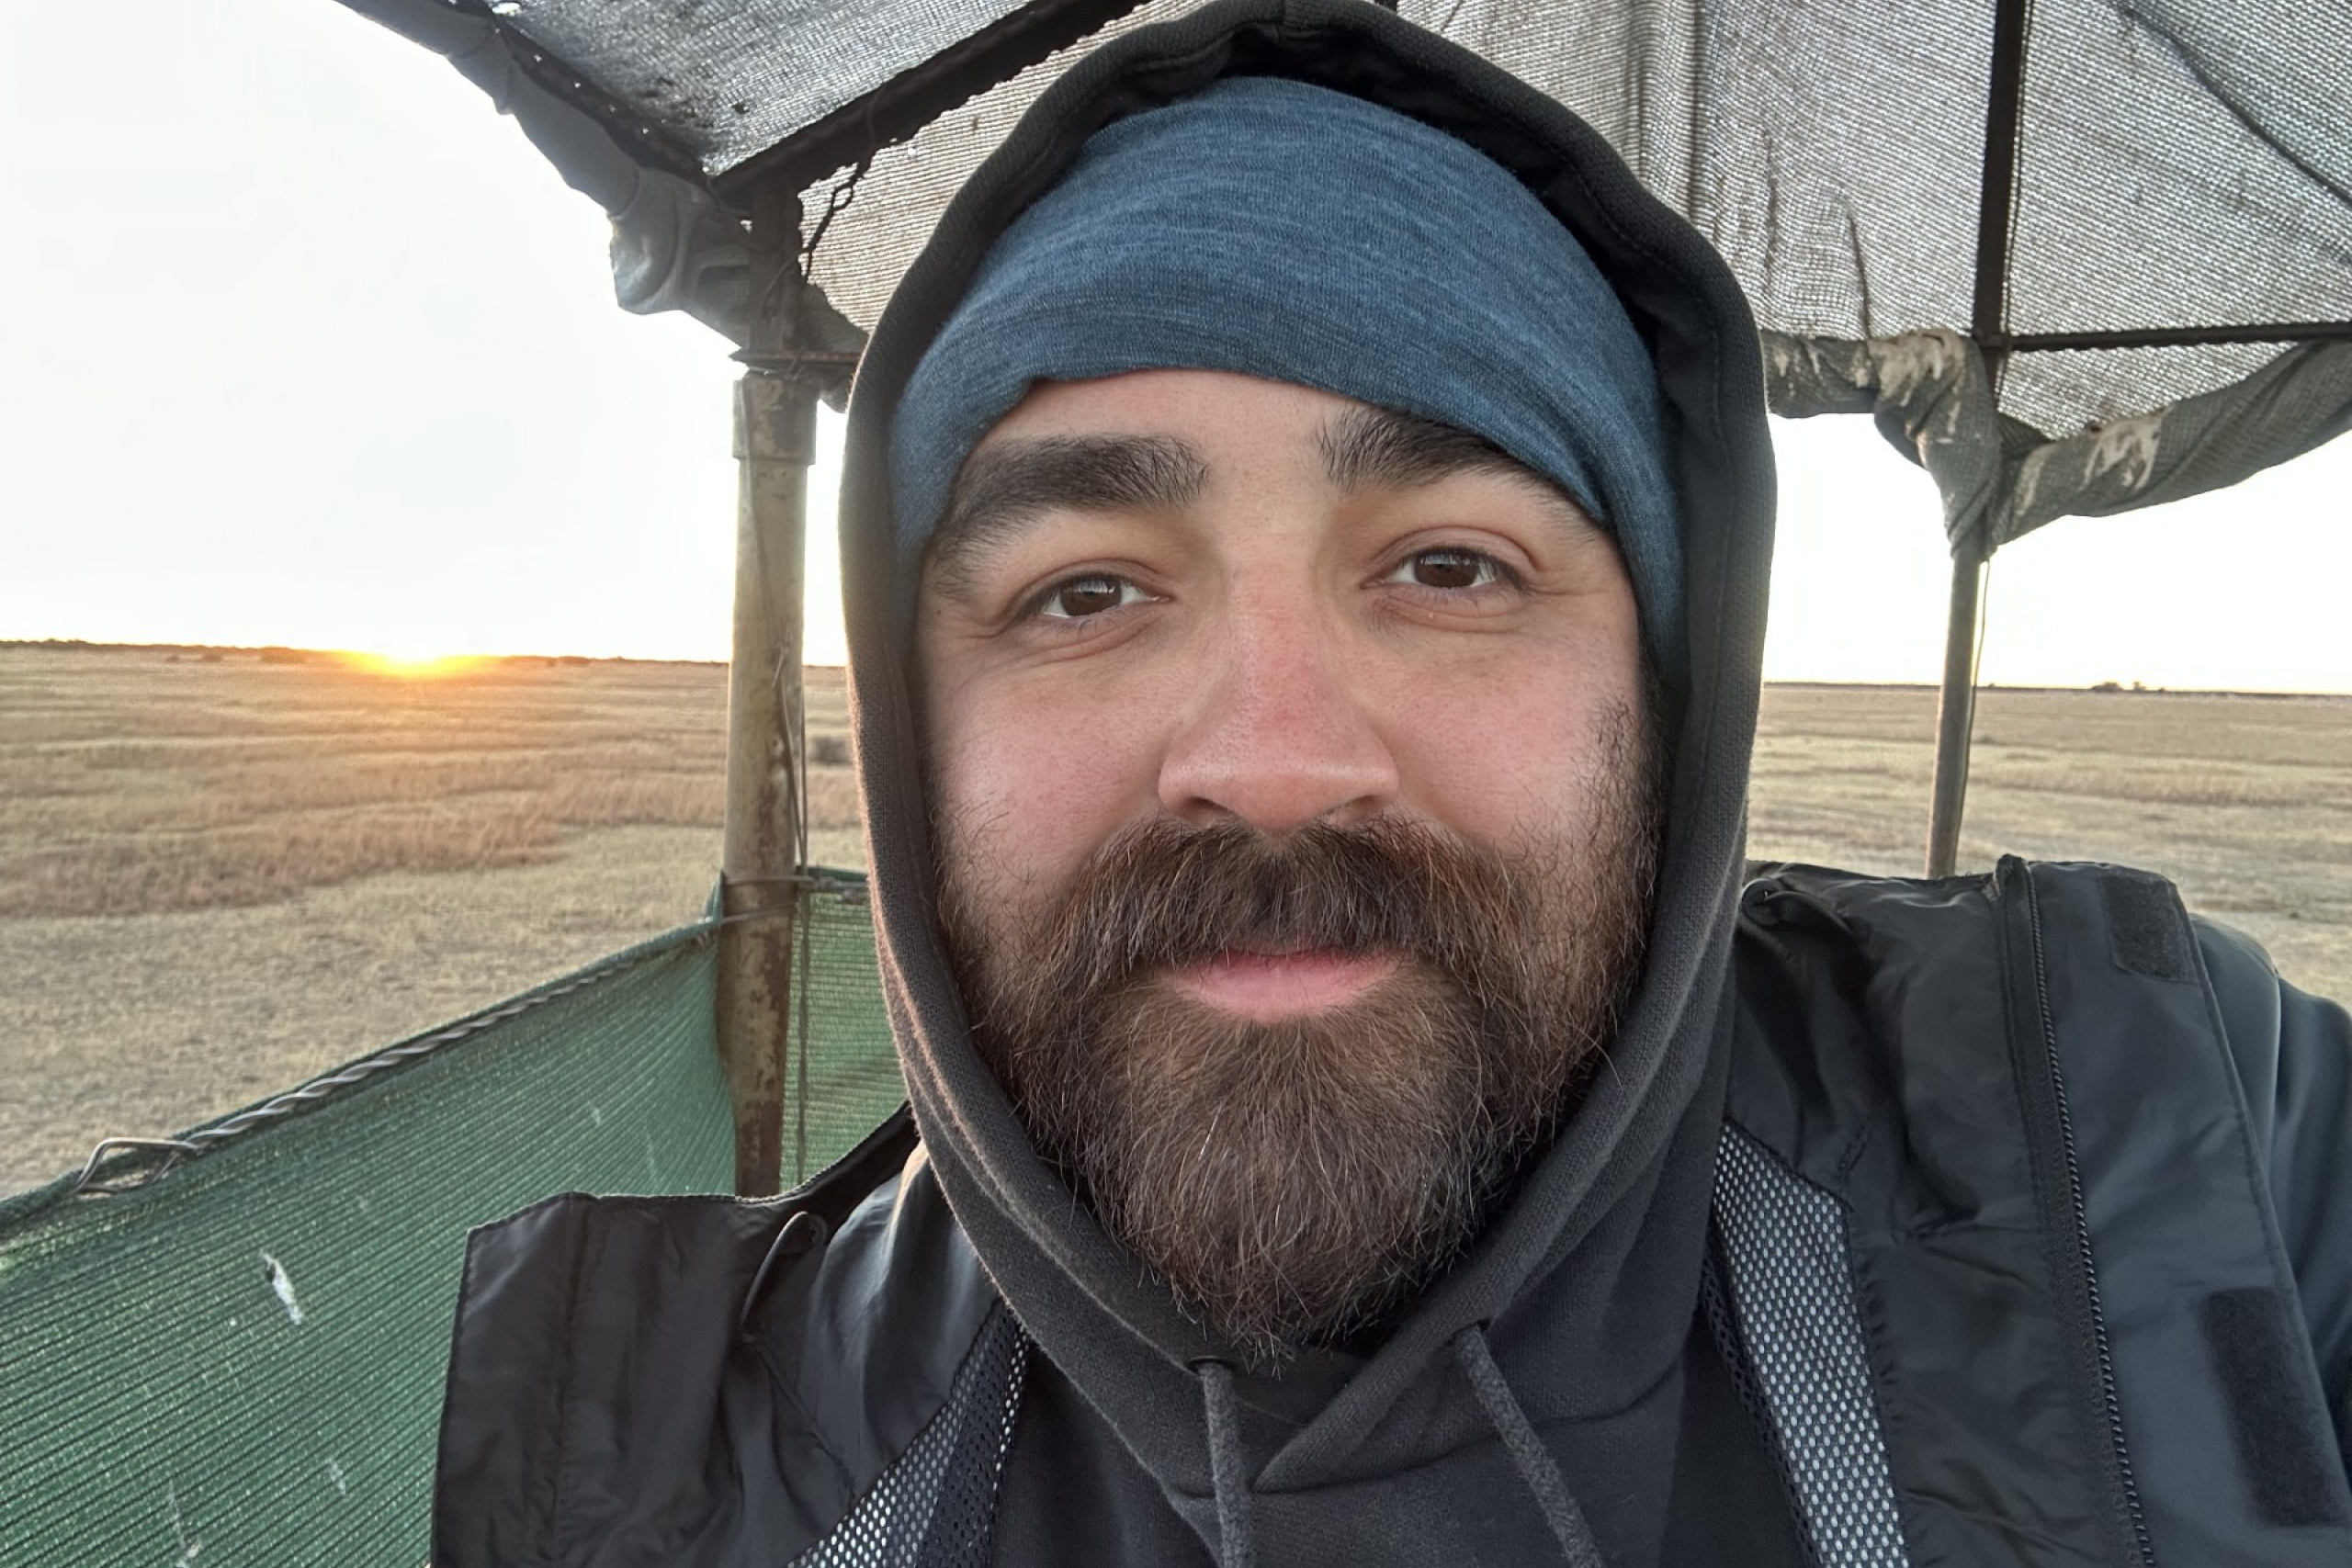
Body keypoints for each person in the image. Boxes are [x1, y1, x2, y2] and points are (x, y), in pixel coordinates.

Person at [431, 1, 2352, 1563]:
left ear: (1665, 701)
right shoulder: (668, 1473)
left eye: (1449, 565)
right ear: (914, 744)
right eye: (1082, 589)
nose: (1272, 758)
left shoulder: (2131, 1130)